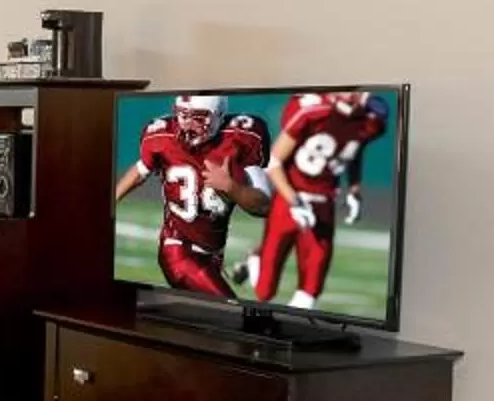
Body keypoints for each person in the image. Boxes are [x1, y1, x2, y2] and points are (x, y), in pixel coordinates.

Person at [112, 94, 269, 298]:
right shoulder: (161, 135)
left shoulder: (242, 137)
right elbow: (141, 170)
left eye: (198, 118)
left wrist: (231, 187)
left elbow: (264, 206)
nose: (187, 125)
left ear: (218, 116)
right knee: (231, 310)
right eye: (183, 116)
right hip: (178, 251)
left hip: (213, 255)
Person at [251, 90, 391, 309]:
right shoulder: (312, 112)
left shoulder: (367, 120)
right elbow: (274, 161)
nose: (354, 95)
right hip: (290, 199)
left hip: (324, 203)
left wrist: (354, 190)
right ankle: (257, 255)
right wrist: (294, 201)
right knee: (264, 292)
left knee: (310, 291)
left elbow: (354, 150)